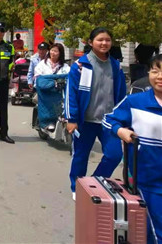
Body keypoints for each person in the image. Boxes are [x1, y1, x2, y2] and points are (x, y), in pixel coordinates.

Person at [103, 54, 162, 244]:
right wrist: (120, 131)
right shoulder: (135, 102)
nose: (160, 76)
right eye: (155, 71)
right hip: (146, 181)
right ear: (148, 73)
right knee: (156, 232)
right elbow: (109, 119)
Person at [65, 27, 127, 198]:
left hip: (109, 121)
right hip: (85, 121)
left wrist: (123, 118)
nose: (104, 43)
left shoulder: (116, 66)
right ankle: (76, 187)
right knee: (80, 156)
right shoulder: (80, 66)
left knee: (114, 155)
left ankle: (94, 182)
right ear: (91, 42)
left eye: (107, 40)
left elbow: (122, 95)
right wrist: (71, 118)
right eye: (100, 40)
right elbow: (71, 94)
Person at [33, 43, 70, 131]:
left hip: (60, 93)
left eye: (56, 51)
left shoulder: (65, 67)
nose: (53, 53)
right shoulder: (42, 64)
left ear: (60, 53)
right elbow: (40, 80)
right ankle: (45, 122)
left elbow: (69, 77)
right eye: (52, 50)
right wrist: (54, 81)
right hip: (45, 93)